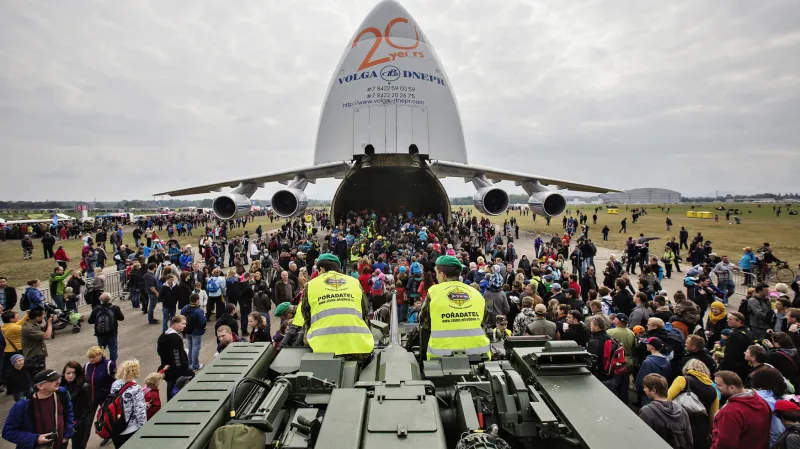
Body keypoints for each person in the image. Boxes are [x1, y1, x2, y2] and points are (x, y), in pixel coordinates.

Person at [301, 253, 374, 360]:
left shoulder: (310, 285)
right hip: (359, 348)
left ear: (321, 268)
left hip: (322, 349)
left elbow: (306, 315)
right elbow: (365, 311)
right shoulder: (354, 282)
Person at [420, 255, 491, 360]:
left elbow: (424, 323)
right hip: (479, 355)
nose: (436, 276)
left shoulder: (434, 292)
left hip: (441, 357)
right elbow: (483, 322)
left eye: (437, 273)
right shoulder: (476, 293)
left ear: (442, 275)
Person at [2, 369, 74, 449]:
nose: (58, 382)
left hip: (60, 445)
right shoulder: (22, 405)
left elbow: (69, 413)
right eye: (53, 380)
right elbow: (8, 432)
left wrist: (67, 435)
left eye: (58, 379)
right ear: (40, 386)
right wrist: (35, 439)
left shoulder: (62, 393)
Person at [710, 370, 771, 449]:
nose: (715, 387)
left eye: (719, 385)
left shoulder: (730, 412)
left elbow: (726, 443)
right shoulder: (763, 402)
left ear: (732, 387)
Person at [667, 359, 719, 449]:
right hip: (700, 430)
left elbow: (667, 399)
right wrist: (708, 433)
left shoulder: (683, 380)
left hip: (679, 423)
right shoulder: (714, 390)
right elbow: (713, 417)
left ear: (687, 369)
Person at [639, 373, 693, 449]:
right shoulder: (681, 409)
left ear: (654, 390)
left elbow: (643, 439)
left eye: (645, 387)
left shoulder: (647, 411)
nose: (644, 389)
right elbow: (688, 436)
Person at [108, 360, 147, 448]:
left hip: (117, 428)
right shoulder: (136, 388)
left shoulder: (115, 385)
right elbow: (140, 411)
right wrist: (144, 430)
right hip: (131, 429)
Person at [84, 346, 115, 447]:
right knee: (86, 422)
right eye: (89, 357)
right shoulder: (87, 366)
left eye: (93, 357)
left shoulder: (109, 365)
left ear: (100, 355)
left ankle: (109, 436)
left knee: (106, 419)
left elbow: (115, 380)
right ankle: (82, 443)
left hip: (105, 398)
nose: (91, 359)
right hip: (90, 399)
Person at [157, 315, 193, 400]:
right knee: (175, 391)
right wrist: (180, 371)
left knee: (170, 389)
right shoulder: (174, 338)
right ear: (175, 324)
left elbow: (159, 351)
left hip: (167, 368)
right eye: (183, 323)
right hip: (175, 371)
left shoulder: (164, 335)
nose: (185, 325)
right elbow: (176, 356)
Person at [61, 362, 92, 449]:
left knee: (78, 445)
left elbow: (87, 408)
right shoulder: (61, 385)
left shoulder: (84, 387)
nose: (70, 376)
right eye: (68, 373)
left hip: (78, 422)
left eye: (73, 373)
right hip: (64, 422)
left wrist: (77, 424)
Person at [87, 293, 125, 363]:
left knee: (100, 350)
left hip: (100, 333)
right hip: (112, 332)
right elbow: (121, 318)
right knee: (113, 349)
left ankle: (101, 364)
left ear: (100, 300)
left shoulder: (96, 309)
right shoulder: (115, 308)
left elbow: (90, 321)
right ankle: (112, 365)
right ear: (110, 299)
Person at [636, 337, 672, 406]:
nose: (646, 345)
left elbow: (641, 379)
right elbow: (669, 377)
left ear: (652, 347)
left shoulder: (647, 362)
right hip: (661, 394)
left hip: (648, 394)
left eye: (647, 344)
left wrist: (640, 390)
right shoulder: (667, 361)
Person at [21, 308, 54, 378]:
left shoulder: (33, 324)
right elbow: (47, 336)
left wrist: (49, 322)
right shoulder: (29, 328)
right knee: (39, 379)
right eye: (43, 316)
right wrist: (50, 323)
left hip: (37, 356)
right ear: (37, 317)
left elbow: (43, 330)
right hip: (34, 358)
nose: (43, 317)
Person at [719, 312, 753, 380]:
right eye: (727, 319)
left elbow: (731, 353)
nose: (727, 320)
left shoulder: (734, 335)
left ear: (739, 321)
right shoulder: (749, 332)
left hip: (734, 368)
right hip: (745, 366)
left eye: (730, 319)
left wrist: (722, 366)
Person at [181, 293, 207, 371]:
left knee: (190, 347)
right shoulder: (198, 310)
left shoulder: (185, 308)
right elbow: (203, 321)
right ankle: (195, 365)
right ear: (197, 301)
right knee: (196, 348)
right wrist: (203, 327)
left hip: (187, 330)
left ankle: (190, 363)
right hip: (196, 332)